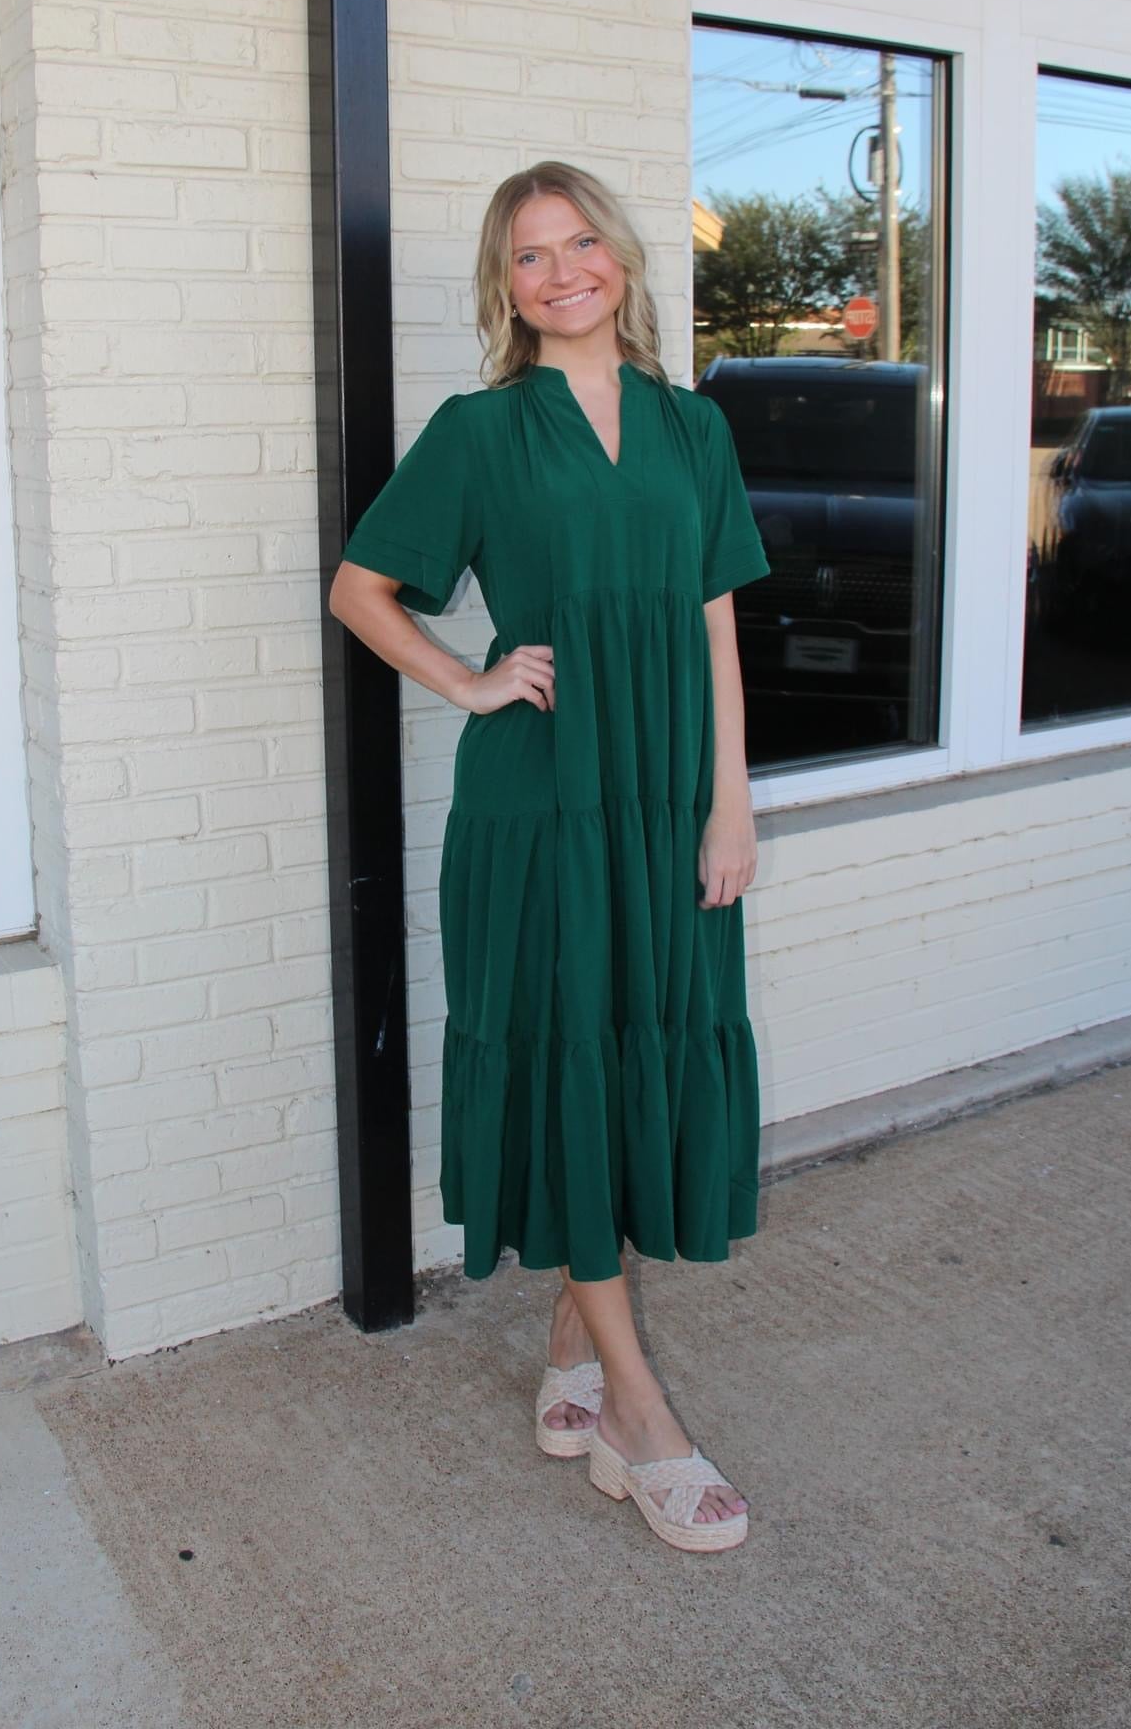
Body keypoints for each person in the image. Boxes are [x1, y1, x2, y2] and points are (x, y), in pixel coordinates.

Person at [328, 162, 770, 1554]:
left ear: (621, 263)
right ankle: (637, 1413)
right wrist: (467, 683)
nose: (562, 269)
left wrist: (731, 804)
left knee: (640, 1044)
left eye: (581, 242)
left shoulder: (693, 429)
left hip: (664, 800)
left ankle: (573, 1348)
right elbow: (358, 588)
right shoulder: (480, 430)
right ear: (503, 287)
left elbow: (714, 632)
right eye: (530, 255)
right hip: (537, 802)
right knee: (573, 1044)